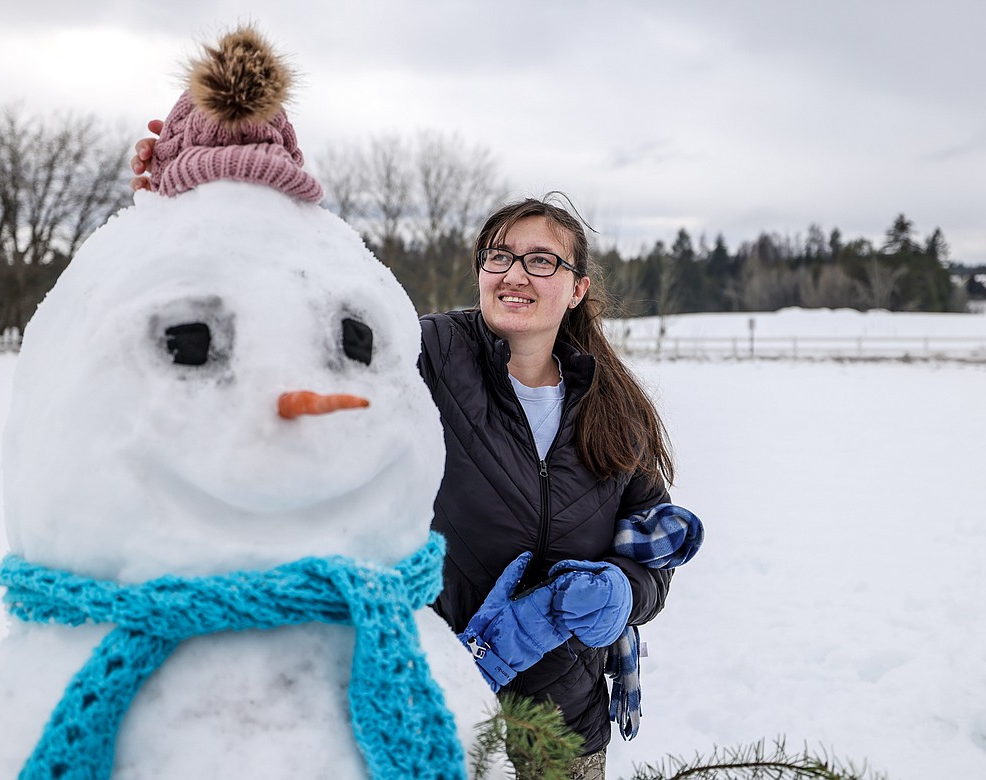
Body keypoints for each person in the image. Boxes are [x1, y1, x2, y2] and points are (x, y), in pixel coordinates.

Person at [132, 130, 690, 780]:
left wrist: (626, 591)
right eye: (500, 255)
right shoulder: (425, 352)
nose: (514, 273)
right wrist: (218, 195)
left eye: (542, 261)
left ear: (576, 289)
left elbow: (652, 544)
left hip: (567, 730)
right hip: (437, 709)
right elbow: (307, 311)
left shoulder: (611, 404)